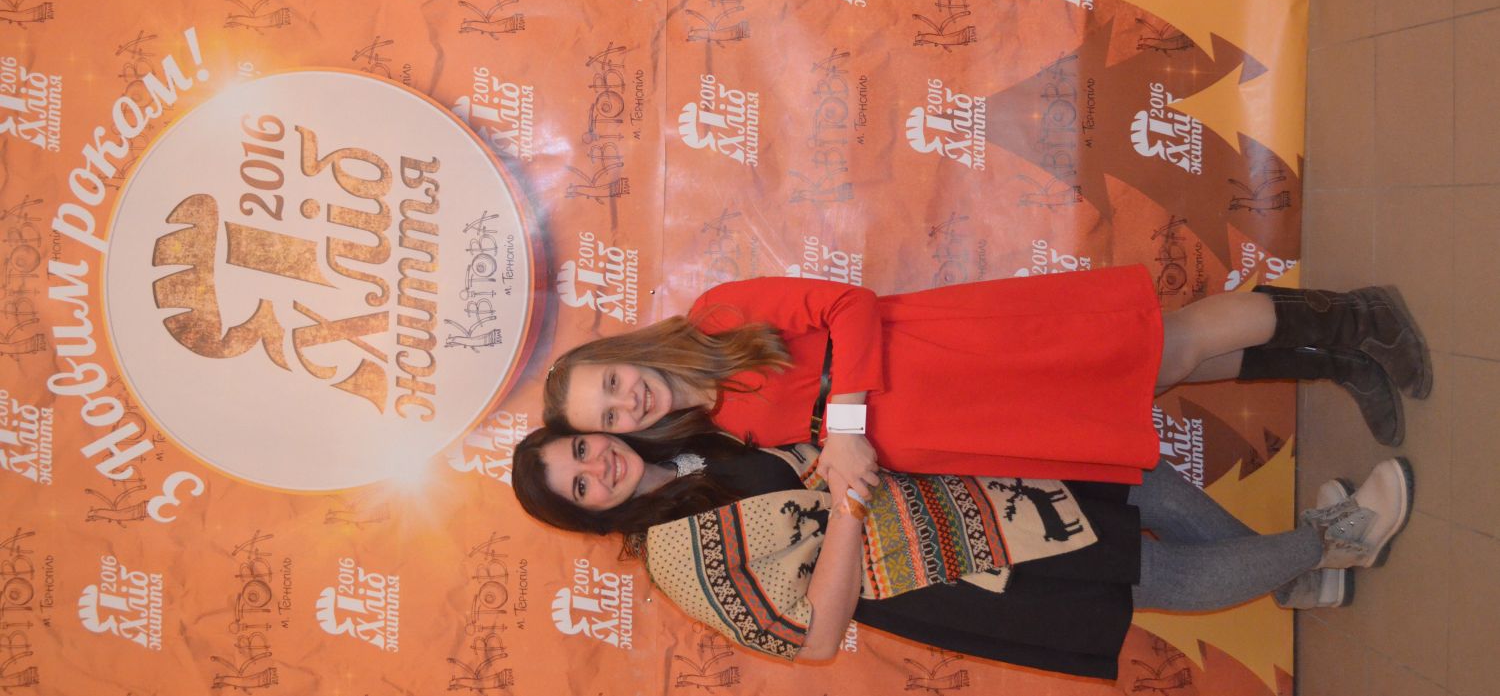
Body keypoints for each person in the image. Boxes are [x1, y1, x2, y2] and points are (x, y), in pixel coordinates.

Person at [511, 426, 1414, 679]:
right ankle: (1337, 540)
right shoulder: (675, 558)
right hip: (947, 572)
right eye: (579, 485)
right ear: (588, 515)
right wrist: (849, 502)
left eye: (580, 449)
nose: (598, 465)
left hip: (950, 489)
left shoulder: (688, 443)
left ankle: (1302, 574)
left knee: (1137, 480)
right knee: (1149, 572)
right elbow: (811, 636)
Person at [543, 271, 1429, 506]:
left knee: (1170, 341)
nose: (628, 402)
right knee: (1153, 381)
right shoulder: (709, 426)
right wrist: (827, 452)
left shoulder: (716, 314)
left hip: (959, 354)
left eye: (612, 382)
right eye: (610, 416)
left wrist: (841, 423)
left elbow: (851, 305)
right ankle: (1335, 360)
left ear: (622, 352)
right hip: (952, 419)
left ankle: (1359, 318)